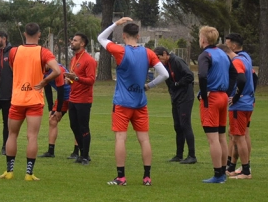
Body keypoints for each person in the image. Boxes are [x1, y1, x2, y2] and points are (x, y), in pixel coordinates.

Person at [99, 18, 168, 186]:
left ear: (124, 36)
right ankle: (147, 177)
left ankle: (121, 177)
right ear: (138, 36)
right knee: (144, 139)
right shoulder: (149, 53)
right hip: (140, 103)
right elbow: (165, 74)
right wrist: (148, 86)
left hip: (122, 103)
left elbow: (101, 38)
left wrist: (115, 23)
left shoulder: (120, 51)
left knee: (121, 139)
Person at [0, 23, 61, 181]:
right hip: (34, 99)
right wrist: (44, 81)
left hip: (18, 99)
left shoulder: (14, 51)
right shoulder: (43, 52)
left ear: (25, 34)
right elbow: (57, 70)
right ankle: (29, 173)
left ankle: (9, 171)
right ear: (39, 34)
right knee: (32, 137)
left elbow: (13, 67)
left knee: (12, 135)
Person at [197, 26, 236, 184]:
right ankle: (223, 172)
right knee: (221, 137)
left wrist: (204, 92)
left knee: (212, 139)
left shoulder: (205, 55)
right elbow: (234, 74)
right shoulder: (222, 53)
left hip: (212, 98)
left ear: (204, 39)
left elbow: (202, 74)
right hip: (223, 97)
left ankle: (218, 174)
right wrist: (227, 91)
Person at [153, 47, 197, 164]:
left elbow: (189, 76)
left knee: (185, 124)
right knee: (177, 126)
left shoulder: (176, 61)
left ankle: (192, 155)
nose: (158, 60)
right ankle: (179, 155)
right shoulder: (164, 65)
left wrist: (177, 84)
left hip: (185, 97)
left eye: (159, 57)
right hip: (176, 98)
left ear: (165, 54)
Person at [223, 33, 254, 180]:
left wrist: (235, 97)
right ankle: (235, 166)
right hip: (248, 102)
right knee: (241, 134)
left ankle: (246, 171)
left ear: (233, 46)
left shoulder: (236, 61)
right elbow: (255, 77)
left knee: (238, 136)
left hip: (240, 105)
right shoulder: (246, 57)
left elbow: (241, 79)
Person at [63, 33, 97, 163]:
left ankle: (85, 155)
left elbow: (91, 80)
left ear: (82, 44)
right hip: (73, 98)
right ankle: (82, 152)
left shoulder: (89, 60)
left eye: (75, 40)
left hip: (83, 100)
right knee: (74, 126)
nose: (72, 42)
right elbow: (74, 78)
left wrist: (75, 78)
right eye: (72, 40)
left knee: (83, 127)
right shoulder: (74, 59)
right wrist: (69, 81)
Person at [39, 63, 71, 158]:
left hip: (73, 96)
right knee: (52, 120)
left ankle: (77, 152)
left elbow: (61, 90)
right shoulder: (43, 71)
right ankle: (51, 151)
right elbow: (47, 89)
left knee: (76, 123)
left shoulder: (58, 70)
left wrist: (58, 110)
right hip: (63, 97)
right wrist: (50, 109)